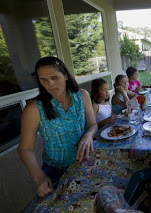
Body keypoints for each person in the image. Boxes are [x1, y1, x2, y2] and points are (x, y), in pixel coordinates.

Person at [18, 57, 98, 198]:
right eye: (43, 80)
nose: (50, 84)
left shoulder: (82, 96)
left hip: (85, 162)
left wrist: (88, 136)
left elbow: (93, 125)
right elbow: (25, 149)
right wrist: (39, 178)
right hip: (55, 170)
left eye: (54, 77)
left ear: (66, 75)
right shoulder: (34, 108)